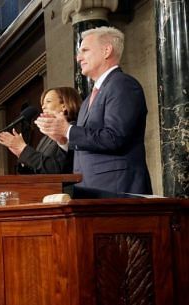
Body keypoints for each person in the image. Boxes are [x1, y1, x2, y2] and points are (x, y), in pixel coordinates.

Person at [36, 26, 152, 196]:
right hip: (90, 190)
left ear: (107, 51)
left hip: (118, 190)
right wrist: (63, 139)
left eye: (85, 50)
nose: (78, 58)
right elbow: (88, 142)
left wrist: (67, 129)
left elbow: (114, 137)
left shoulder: (123, 85)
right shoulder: (90, 98)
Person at [0, 87, 81, 174]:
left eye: (48, 101)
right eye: (42, 104)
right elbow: (38, 172)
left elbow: (56, 169)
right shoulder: (45, 138)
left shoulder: (73, 130)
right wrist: (21, 154)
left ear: (64, 105)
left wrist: (23, 149)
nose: (43, 106)